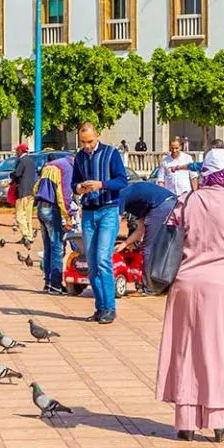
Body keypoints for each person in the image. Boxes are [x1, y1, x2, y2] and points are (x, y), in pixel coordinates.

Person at [156, 147, 224, 442]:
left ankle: (186, 421)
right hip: (222, 285)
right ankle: (219, 420)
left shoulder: (187, 200)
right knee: (218, 353)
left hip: (185, 283)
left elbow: (170, 239)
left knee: (185, 350)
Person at [73, 122, 129, 324]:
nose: (87, 146)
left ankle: (110, 308)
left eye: (90, 141)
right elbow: (73, 183)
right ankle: (100, 307)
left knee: (103, 259)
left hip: (108, 210)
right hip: (89, 212)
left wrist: (101, 185)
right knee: (92, 263)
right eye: (83, 142)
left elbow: (122, 181)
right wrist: (79, 188)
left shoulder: (111, 153)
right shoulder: (79, 157)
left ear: (97, 135)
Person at [120, 179, 177, 293]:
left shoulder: (120, 197)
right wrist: (124, 244)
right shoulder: (136, 200)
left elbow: (115, 224)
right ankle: (163, 285)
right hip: (172, 201)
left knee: (148, 248)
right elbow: (140, 230)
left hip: (162, 205)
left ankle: (148, 288)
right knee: (164, 247)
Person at [33, 155, 75, 294]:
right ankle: (56, 285)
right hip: (52, 209)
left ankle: (48, 282)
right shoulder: (67, 168)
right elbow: (63, 194)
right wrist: (68, 216)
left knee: (48, 248)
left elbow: (36, 187)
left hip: (41, 207)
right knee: (57, 247)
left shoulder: (51, 165)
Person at [10, 149, 38, 244]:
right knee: (28, 216)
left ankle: (26, 235)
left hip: (22, 192)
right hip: (31, 191)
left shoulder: (22, 161)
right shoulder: (31, 162)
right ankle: (30, 236)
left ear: (20, 151)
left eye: (17, 151)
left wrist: (11, 175)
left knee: (19, 215)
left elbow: (17, 174)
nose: (16, 153)